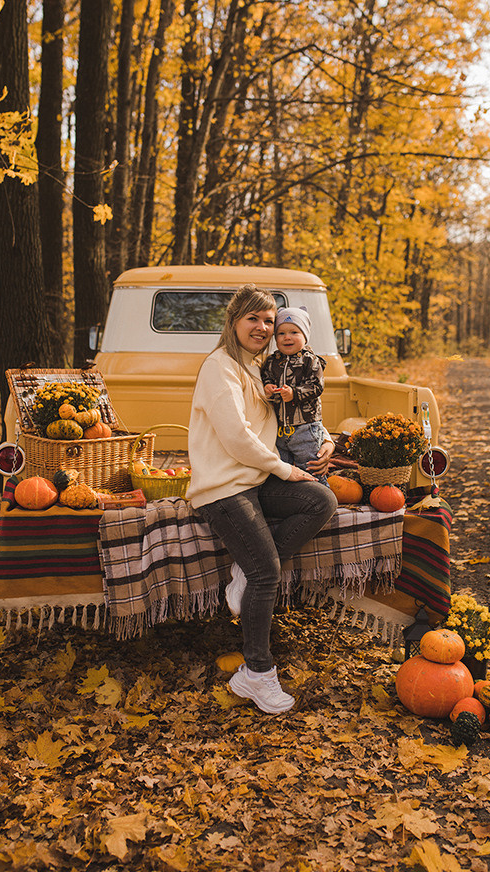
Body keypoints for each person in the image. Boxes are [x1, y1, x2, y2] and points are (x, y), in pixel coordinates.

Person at [187, 284, 337, 715]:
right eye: (253, 318)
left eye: (269, 320)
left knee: (321, 501)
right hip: (223, 488)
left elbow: (296, 414)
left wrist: (325, 440)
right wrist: (285, 469)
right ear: (234, 321)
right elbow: (237, 437)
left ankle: (244, 567)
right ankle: (256, 673)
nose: (263, 327)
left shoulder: (261, 367)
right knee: (267, 572)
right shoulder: (220, 367)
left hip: (256, 480)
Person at [260, 307, 328, 482]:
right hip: (279, 429)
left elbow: (316, 386)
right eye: (281, 333)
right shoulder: (272, 361)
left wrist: (294, 394)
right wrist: (267, 386)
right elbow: (266, 376)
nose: (287, 337)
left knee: (311, 468)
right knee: (283, 472)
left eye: (294, 332)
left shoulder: (310, 360)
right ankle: (291, 495)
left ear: (305, 336)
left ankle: (320, 493)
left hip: (305, 427)